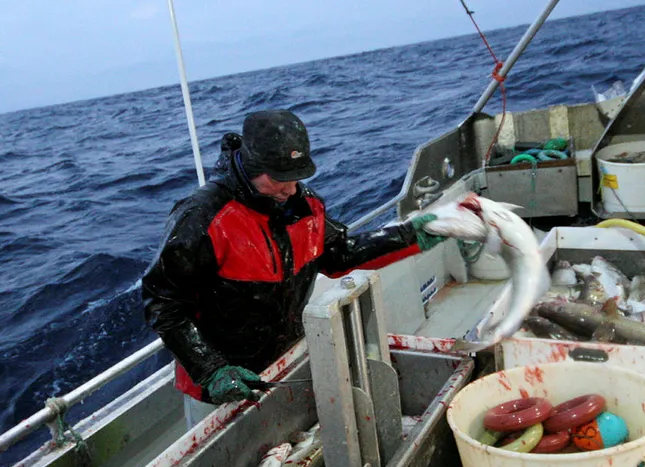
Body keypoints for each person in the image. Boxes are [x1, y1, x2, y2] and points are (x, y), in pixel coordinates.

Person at [141, 109, 447, 427]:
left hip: (287, 363)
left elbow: (340, 256)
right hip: (218, 384)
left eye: (296, 176)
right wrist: (212, 369)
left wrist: (410, 235)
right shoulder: (202, 217)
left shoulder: (305, 204)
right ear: (250, 167)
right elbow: (163, 304)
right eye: (277, 179)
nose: (290, 189)